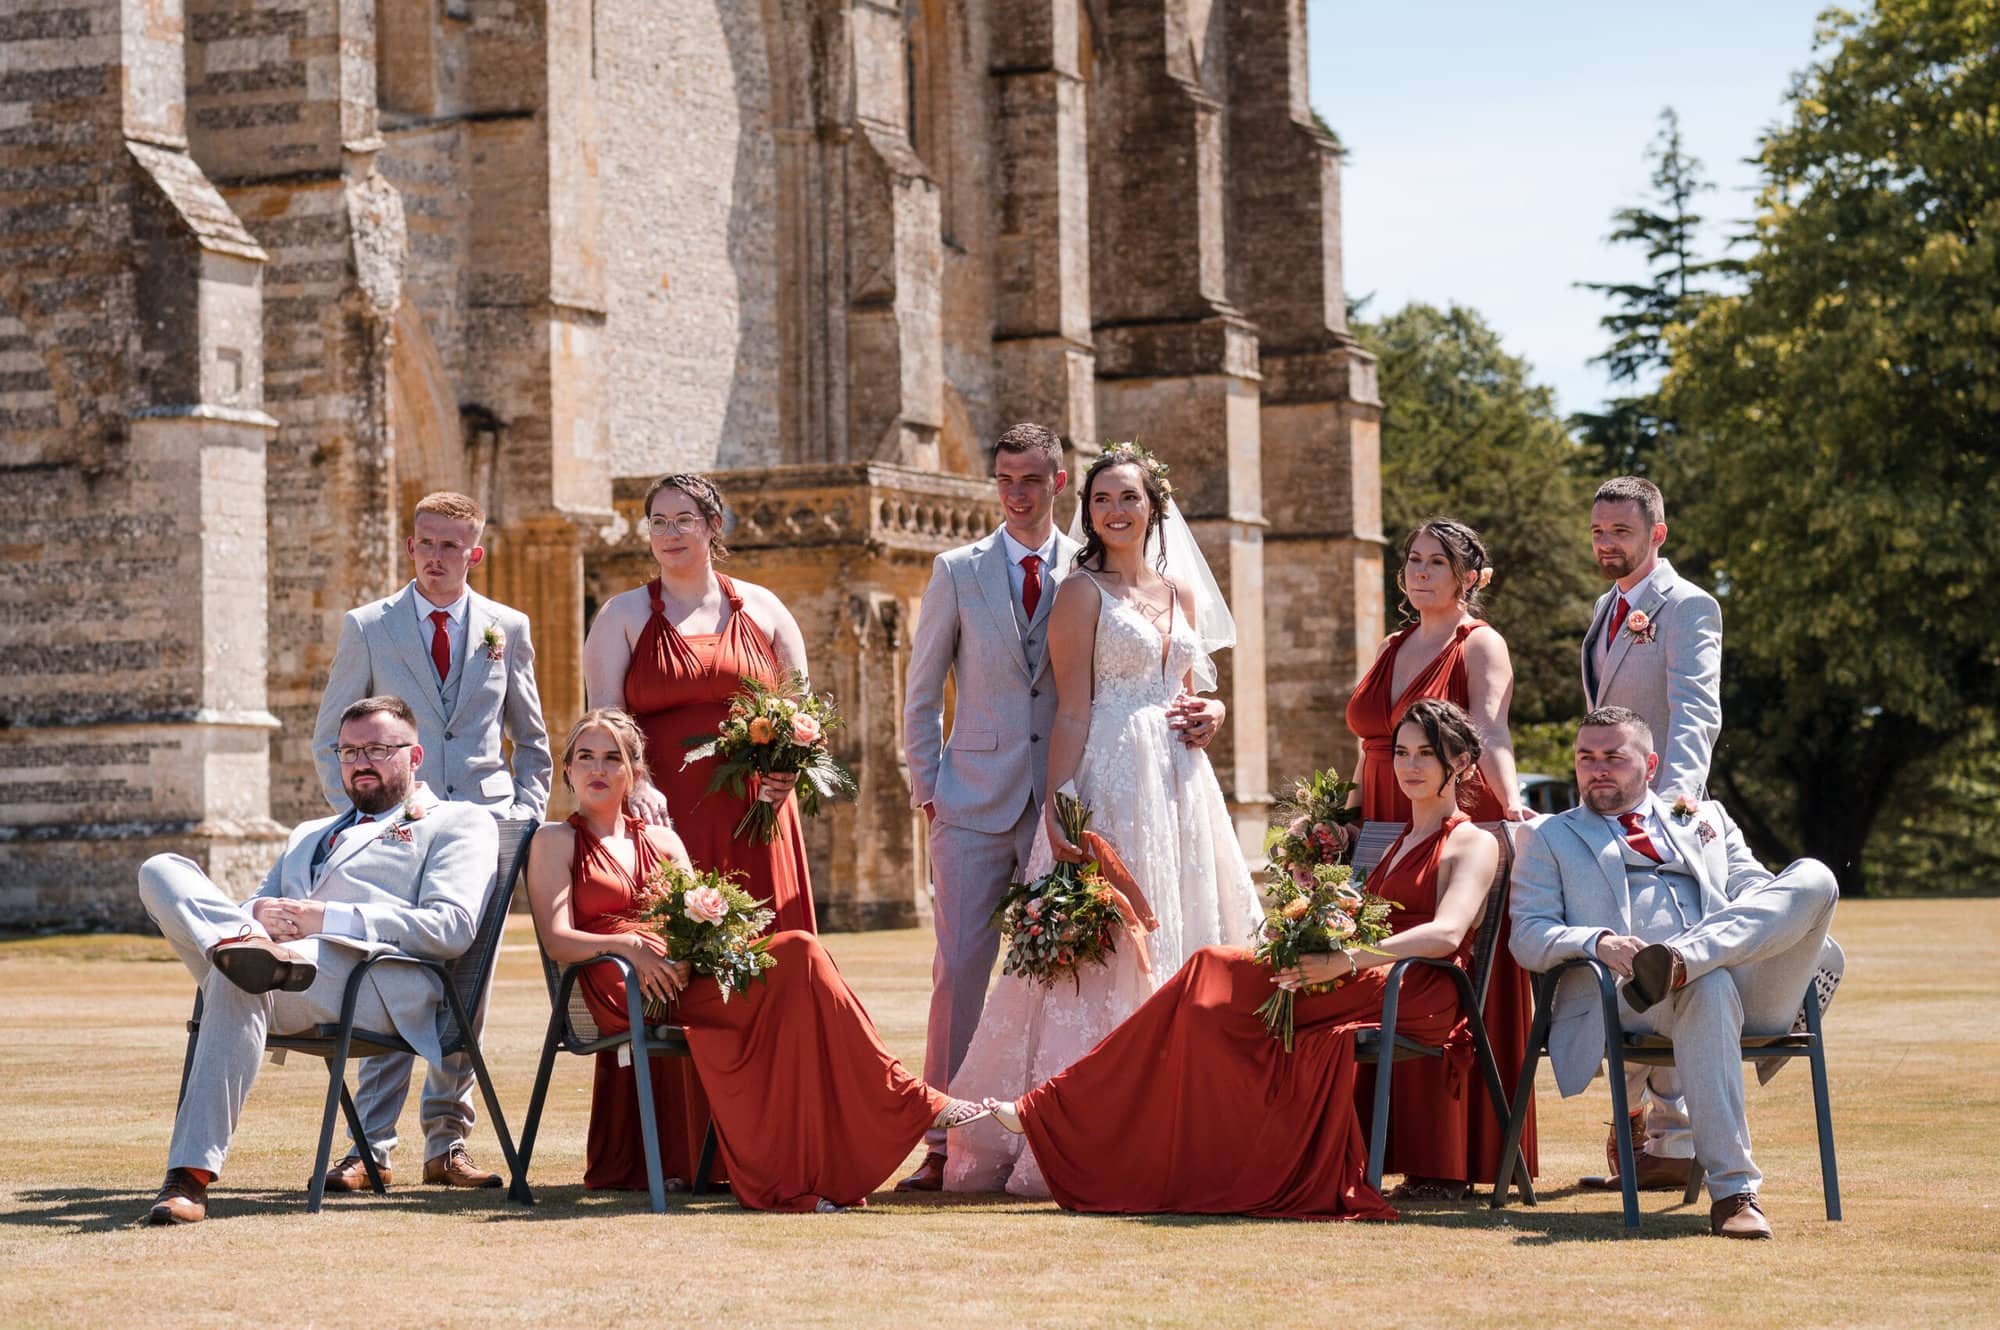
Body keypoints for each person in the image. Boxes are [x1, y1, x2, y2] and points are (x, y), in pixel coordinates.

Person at [976, 699, 1501, 1220]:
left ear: (1460, 765)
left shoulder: (1472, 842)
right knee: (1200, 1015)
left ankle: (1053, 1109)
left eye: (1426, 755)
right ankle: (1110, 1134)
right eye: (1403, 752)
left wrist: (1346, 960)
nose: (1409, 767)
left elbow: (1447, 933)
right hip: (1362, 975)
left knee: (1208, 970)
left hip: (1418, 989)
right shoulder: (1393, 842)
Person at [944, 444, 1259, 1198]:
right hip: (1110, 772)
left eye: (1129, 498)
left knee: (1187, 933)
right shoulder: (1079, 592)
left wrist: (1211, 711)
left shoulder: (1182, 593)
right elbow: (1073, 708)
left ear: (1155, 506)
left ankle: (1186, 1121)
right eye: (1101, 500)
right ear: (1088, 510)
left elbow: (1191, 690)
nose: (1115, 511)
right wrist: (1060, 804)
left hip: (1181, 781)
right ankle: (1085, 1129)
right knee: (1109, 952)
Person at [523, 709, 990, 1210]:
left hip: (685, 977)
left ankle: (830, 1153)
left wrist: (695, 948)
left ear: (634, 773)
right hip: (618, 985)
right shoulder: (555, 840)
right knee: (787, 988)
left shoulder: (663, 840)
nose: (598, 768)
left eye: (612, 758)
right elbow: (557, 940)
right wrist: (629, 948)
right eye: (585, 757)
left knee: (802, 961)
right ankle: (905, 1108)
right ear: (566, 770)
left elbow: (699, 920)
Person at [137, 695, 500, 1225]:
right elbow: (249, 902)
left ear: (415, 756)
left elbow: (450, 928)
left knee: (239, 978)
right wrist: (258, 911)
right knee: (161, 870)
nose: (360, 762)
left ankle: (187, 1179)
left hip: (376, 985)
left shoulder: (458, 822)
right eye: (348, 752)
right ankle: (250, 951)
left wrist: (325, 918)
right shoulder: (308, 834)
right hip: (285, 976)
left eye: (377, 748)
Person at [1510, 706, 1840, 1238]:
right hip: (1628, 994)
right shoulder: (1550, 836)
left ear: (1651, 764)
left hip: (1745, 985)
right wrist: (1598, 941)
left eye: (1613, 758)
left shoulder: (1705, 819)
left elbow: (1754, 889)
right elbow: (1527, 934)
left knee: (1815, 877)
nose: (1596, 769)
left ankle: (1684, 961)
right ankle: (1735, 1196)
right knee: (1705, 988)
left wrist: (1742, 928)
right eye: (1585, 757)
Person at [309, 490, 550, 1192]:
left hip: (482, 830)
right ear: (409, 547)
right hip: (394, 828)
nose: (438, 556)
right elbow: (332, 738)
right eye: (427, 543)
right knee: (385, 975)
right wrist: (363, 817)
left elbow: (532, 741)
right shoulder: (368, 627)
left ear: (475, 552)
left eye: (453, 545)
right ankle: (368, 1150)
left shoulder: (507, 626)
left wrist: (523, 818)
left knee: (465, 991)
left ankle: (447, 1147)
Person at [579, 472, 816, 1187]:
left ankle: (773, 1145)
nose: (670, 532)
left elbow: (804, 716)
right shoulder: (620, 615)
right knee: (680, 972)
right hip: (664, 819)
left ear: (715, 526)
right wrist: (640, 785)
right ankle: (679, 1153)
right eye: (658, 520)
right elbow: (604, 724)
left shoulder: (765, 608)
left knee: (768, 968)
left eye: (685, 519)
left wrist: (789, 771)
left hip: (759, 817)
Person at [897, 423, 1087, 1191]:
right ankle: (945, 1146)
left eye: (1031, 479)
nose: (1016, 493)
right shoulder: (956, 570)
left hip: (1066, 805)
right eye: (1005, 479)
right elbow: (921, 690)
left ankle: (1047, 1143)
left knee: (1066, 975)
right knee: (962, 973)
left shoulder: (1093, 568)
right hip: (969, 801)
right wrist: (928, 790)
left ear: (1060, 481)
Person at [1343, 517, 1535, 1198]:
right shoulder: (1393, 644)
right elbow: (1377, 740)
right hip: (1379, 824)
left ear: (1467, 578)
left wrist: (1508, 812)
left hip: (1454, 819)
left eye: (1437, 562)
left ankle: (1451, 1162)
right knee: (1370, 967)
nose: (1420, 572)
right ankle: (1366, 1153)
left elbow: (1488, 729)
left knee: (1439, 980)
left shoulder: (1478, 644)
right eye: (1413, 560)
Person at [1580, 475, 1724, 1189]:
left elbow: (1696, 711)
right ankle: (1640, 1138)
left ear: (1656, 535)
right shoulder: (1608, 606)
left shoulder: (1688, 605)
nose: (1608, 544)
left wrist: (1671, 808)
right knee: (1616, 967)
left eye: (1622, 533)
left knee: (1663, 973)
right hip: (1607, 824)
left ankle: (1673, 1142)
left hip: (1662, 828)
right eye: (1600, 531)